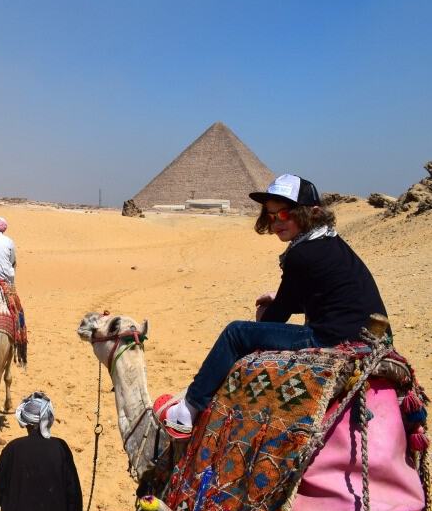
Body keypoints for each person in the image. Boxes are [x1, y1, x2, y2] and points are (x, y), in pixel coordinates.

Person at [165, 174, 389, 433]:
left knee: (236, 333)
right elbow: (323, 295)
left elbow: (275, 318)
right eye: (271, 216)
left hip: (330, 339)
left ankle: (188, 409)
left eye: (284, 214)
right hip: (364, 335)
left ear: (311, 212)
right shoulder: (329, 242)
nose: (276, 223)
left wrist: (268, 311)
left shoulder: (301, 254)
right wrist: (281, 299)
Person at [0, 392, 85, 511]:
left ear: (25, 421)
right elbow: (73, 492)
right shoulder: (60, 448)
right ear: (49, 419)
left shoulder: (13, 449)